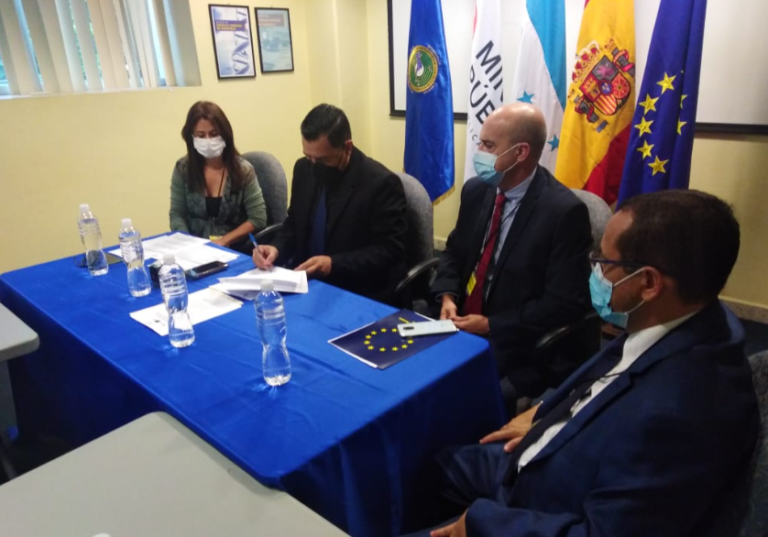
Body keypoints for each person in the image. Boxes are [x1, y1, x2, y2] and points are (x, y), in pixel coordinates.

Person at [408, 189, 759, 537]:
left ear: (649, 283)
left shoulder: (682, 413)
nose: (595, 269)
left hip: (546, 504)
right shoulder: (688, 315)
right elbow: (611, 369)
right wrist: (547, 412)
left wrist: (482, 523)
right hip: (547, 449)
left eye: (604, 261)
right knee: (421, 468)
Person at [431, 103, 593, 396]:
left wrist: (490, 324)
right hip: (459, 318)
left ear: (520, 153)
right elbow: (454, 251)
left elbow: (563, 303)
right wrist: (447, 296)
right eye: (480, 141)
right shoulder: (477, 190)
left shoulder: (564, 213)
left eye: (489, 145)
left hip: (514, 336)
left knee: (453, 391)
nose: (479, 151)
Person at [253, 104, 407, 304]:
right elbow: (294, 224)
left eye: (323, 160)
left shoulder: (380, 184)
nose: (314, 165)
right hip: (305, 282)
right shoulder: (303, 169)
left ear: (347, 147)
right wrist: (276, 248)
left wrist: (332, 263)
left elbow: (389, 251)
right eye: (308, 157)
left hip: (356, 289)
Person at [170, 101, 266, 252]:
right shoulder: (183, 168)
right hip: (193, 249)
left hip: (233, 249)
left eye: (214, 134)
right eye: (201, 135)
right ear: (192, 137)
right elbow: (177, 215)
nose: (208, 140)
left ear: (225, 134)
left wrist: (223, 241)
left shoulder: (243, 170)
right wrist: (188, 244)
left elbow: (258, 219)